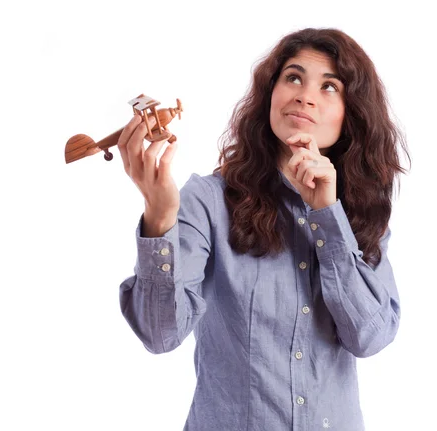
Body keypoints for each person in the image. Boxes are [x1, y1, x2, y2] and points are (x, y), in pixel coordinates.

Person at [116, 28, 409, 431]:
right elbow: (159, 333)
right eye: (293, 77)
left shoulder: (360, 212)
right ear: (270, 93)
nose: (305, 95)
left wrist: (328, 217)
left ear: (351, 114)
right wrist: (160, 215)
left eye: (329, 87)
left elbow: (370, 337)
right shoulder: (209, 199)